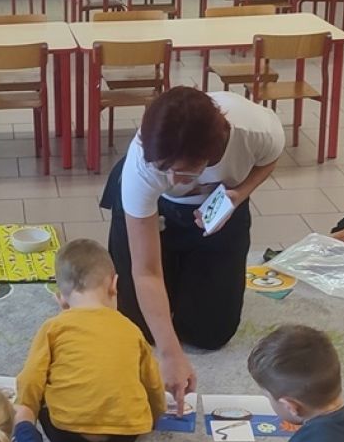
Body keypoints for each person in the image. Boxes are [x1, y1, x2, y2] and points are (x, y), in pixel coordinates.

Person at [101, 87, 285, 402]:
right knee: (138, 328)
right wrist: (170, 354)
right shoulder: (141, 166)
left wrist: (239, 194)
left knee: (210, 333)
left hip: (218, 208)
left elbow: (270, 159)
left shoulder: (254, 130)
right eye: (164, 169)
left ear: (212, 154)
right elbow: (146, 271)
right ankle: (173, 270)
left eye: (184, 173)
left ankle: (181, 274)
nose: (172, 181)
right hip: (152, 212)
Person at [16, 239, 164, 442]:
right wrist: (156, 415)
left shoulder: (53, 327)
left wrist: (26, 414)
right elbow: (153, 382)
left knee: (42, 388)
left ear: (60, 299)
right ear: (114, 285)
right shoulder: (132, 329)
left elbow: (30, 378)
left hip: (65, 433)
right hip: (120, 436)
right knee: (135, 391)